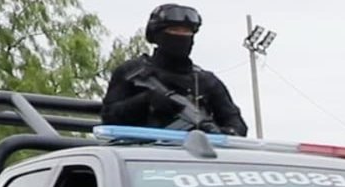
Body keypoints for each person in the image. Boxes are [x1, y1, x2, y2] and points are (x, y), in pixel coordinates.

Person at [101, 5, 249, 136]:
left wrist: (217, 133)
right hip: (141, 154)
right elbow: (108, 118)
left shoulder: (206, 81)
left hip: (195, 160)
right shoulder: (132, 72)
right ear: (157, 35)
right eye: (174, 30)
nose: (181, 37)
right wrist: (146, 101)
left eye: (187, 32)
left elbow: (236, 124)